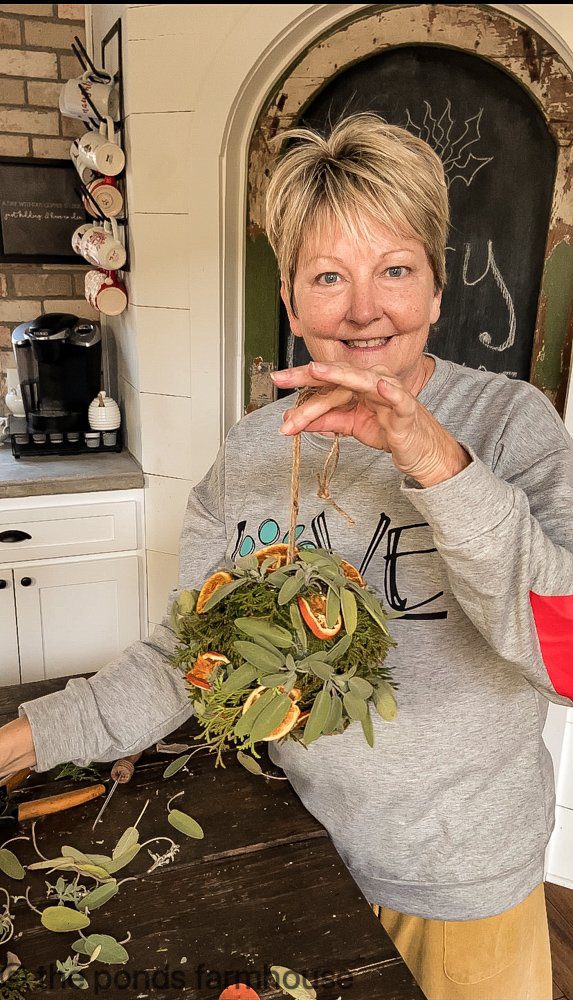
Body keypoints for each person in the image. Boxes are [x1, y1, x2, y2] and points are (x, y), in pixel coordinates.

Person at [2, 113, 572, 1000]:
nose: (363, 308)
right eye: (328, 276)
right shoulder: (252, 452)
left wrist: (433, 459)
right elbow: (185, 660)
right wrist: (24, 741)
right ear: (294, 300)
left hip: (458, 888)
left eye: (394, 270)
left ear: (434, 285)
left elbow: (567, 655)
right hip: (296, 851)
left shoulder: (510, 427)